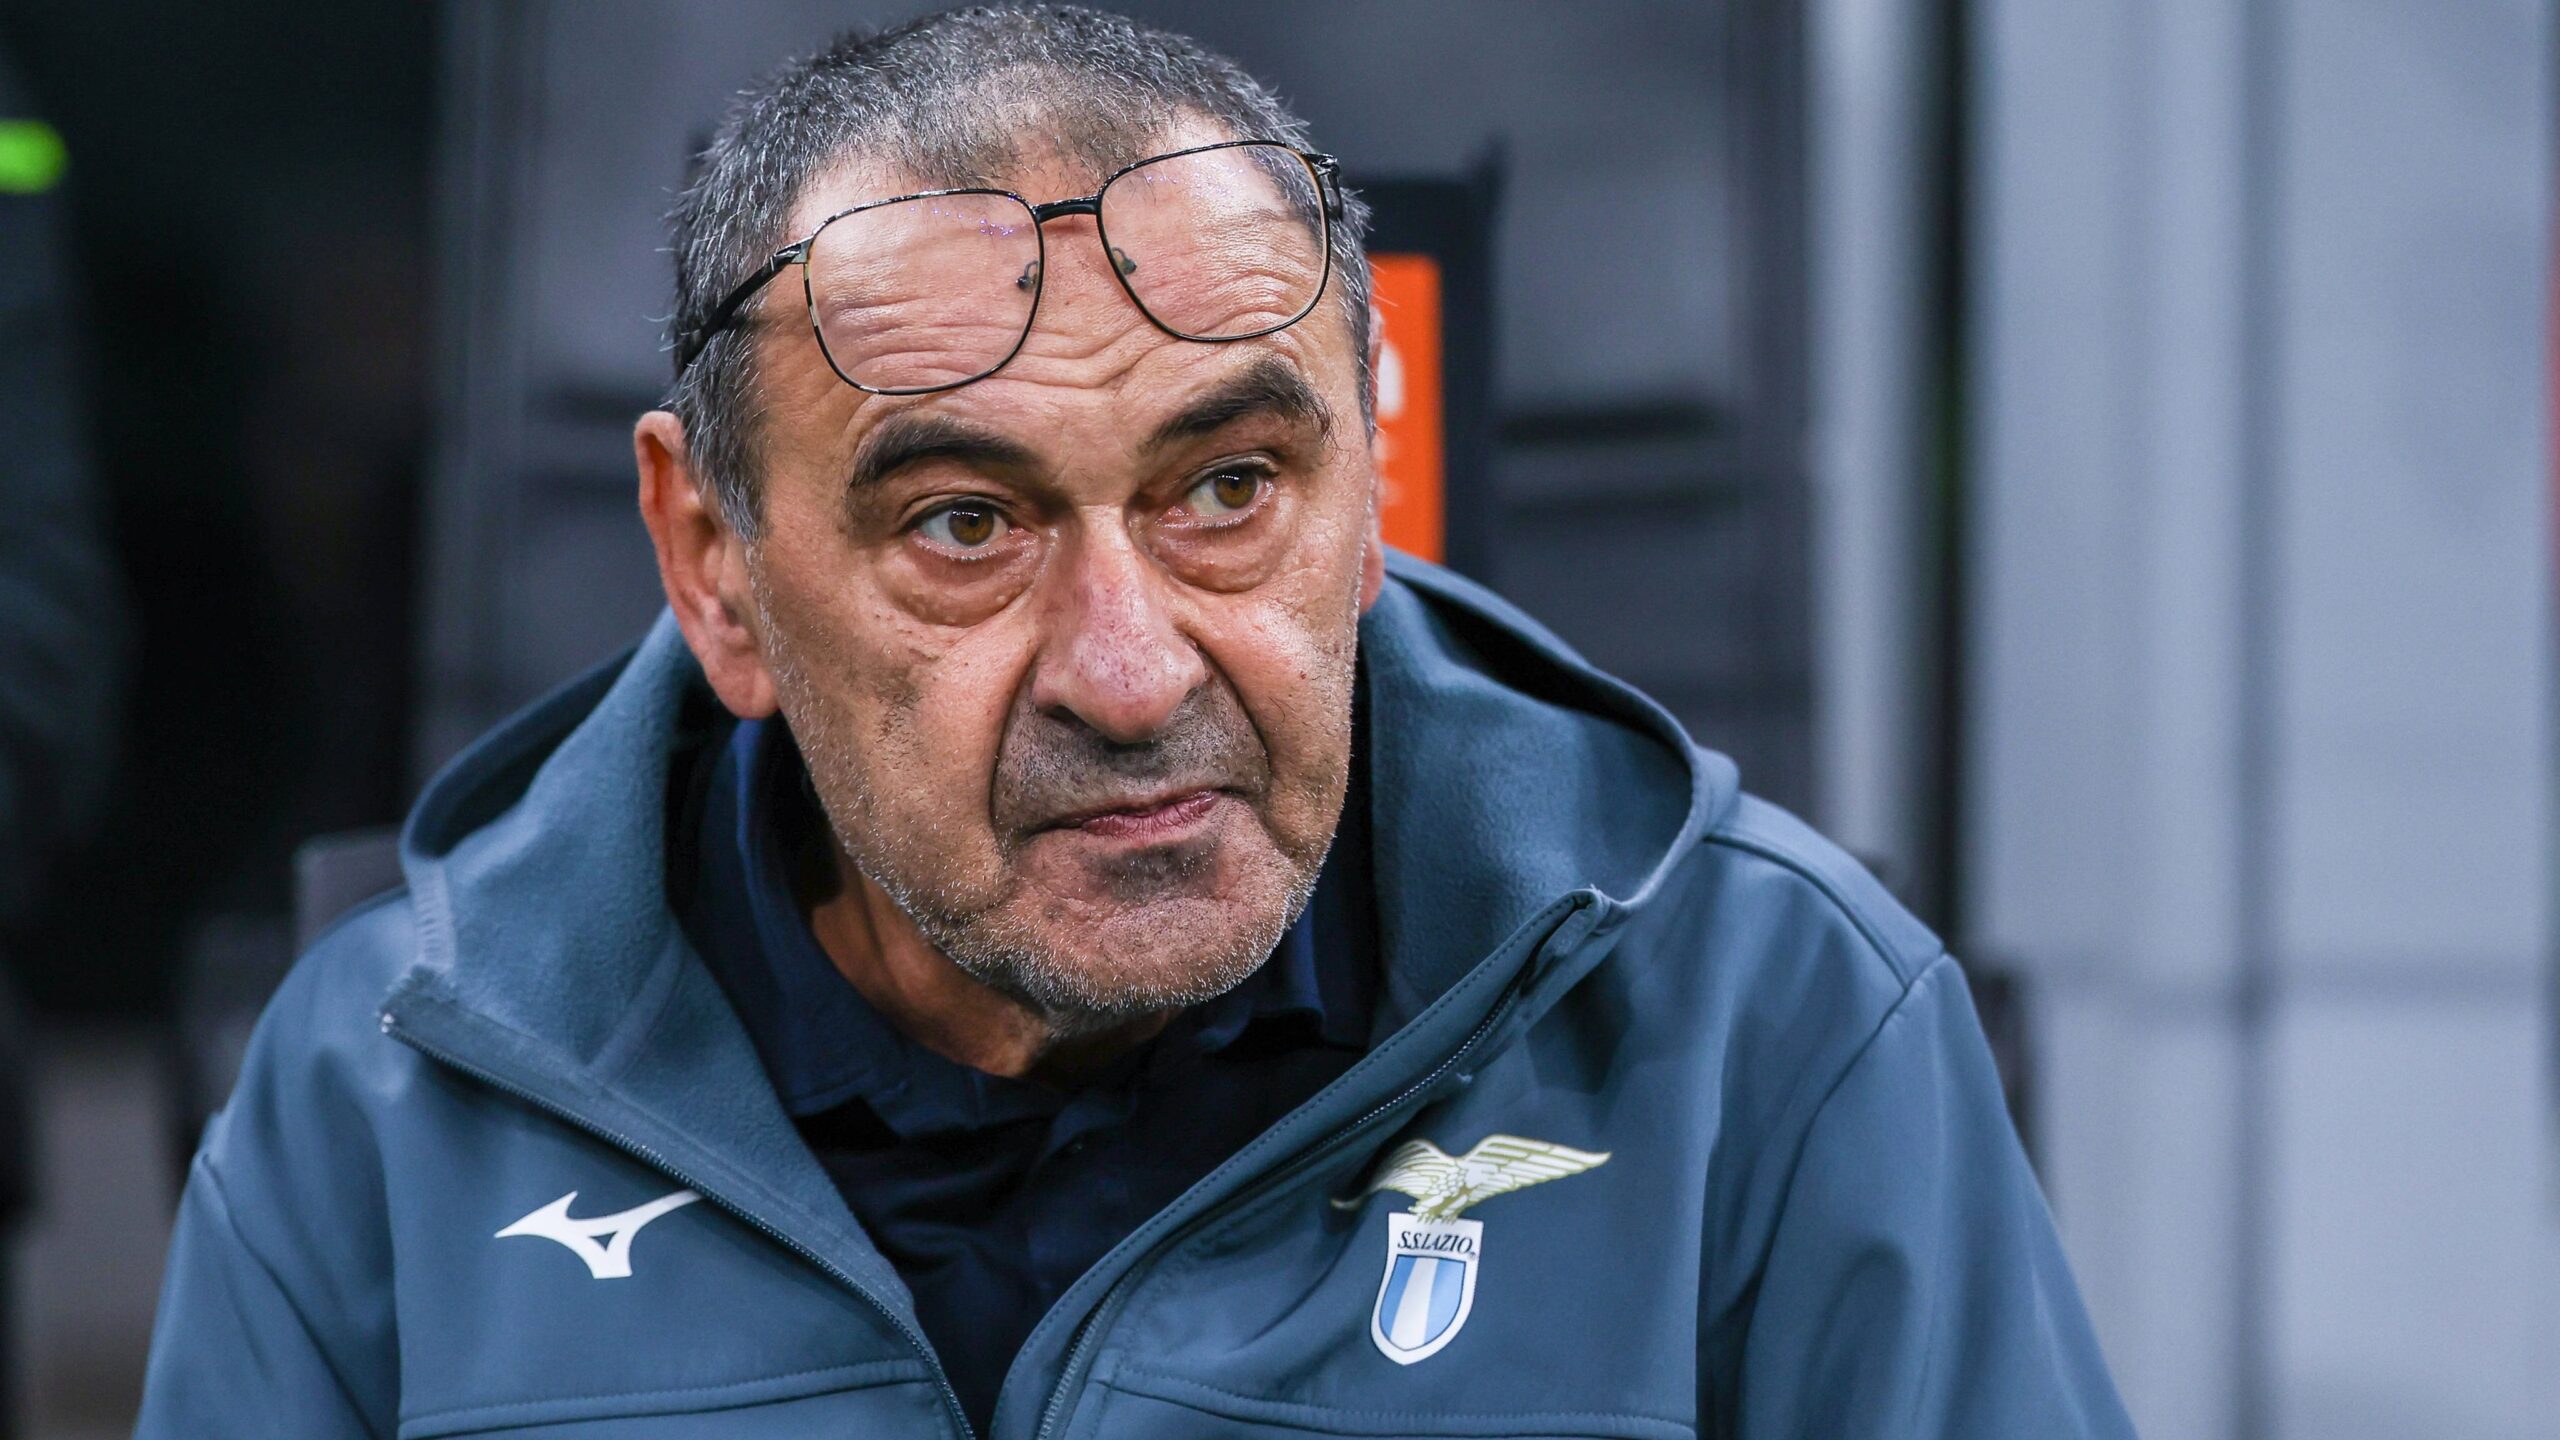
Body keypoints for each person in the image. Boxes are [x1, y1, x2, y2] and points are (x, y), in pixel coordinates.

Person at [135, 7, 2134, 1436]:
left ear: (1374, 481)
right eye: (964, 524)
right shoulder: (379, 1101)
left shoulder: (1772, 1028)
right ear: (713, 564)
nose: (1132, 669)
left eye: (1228, 490)